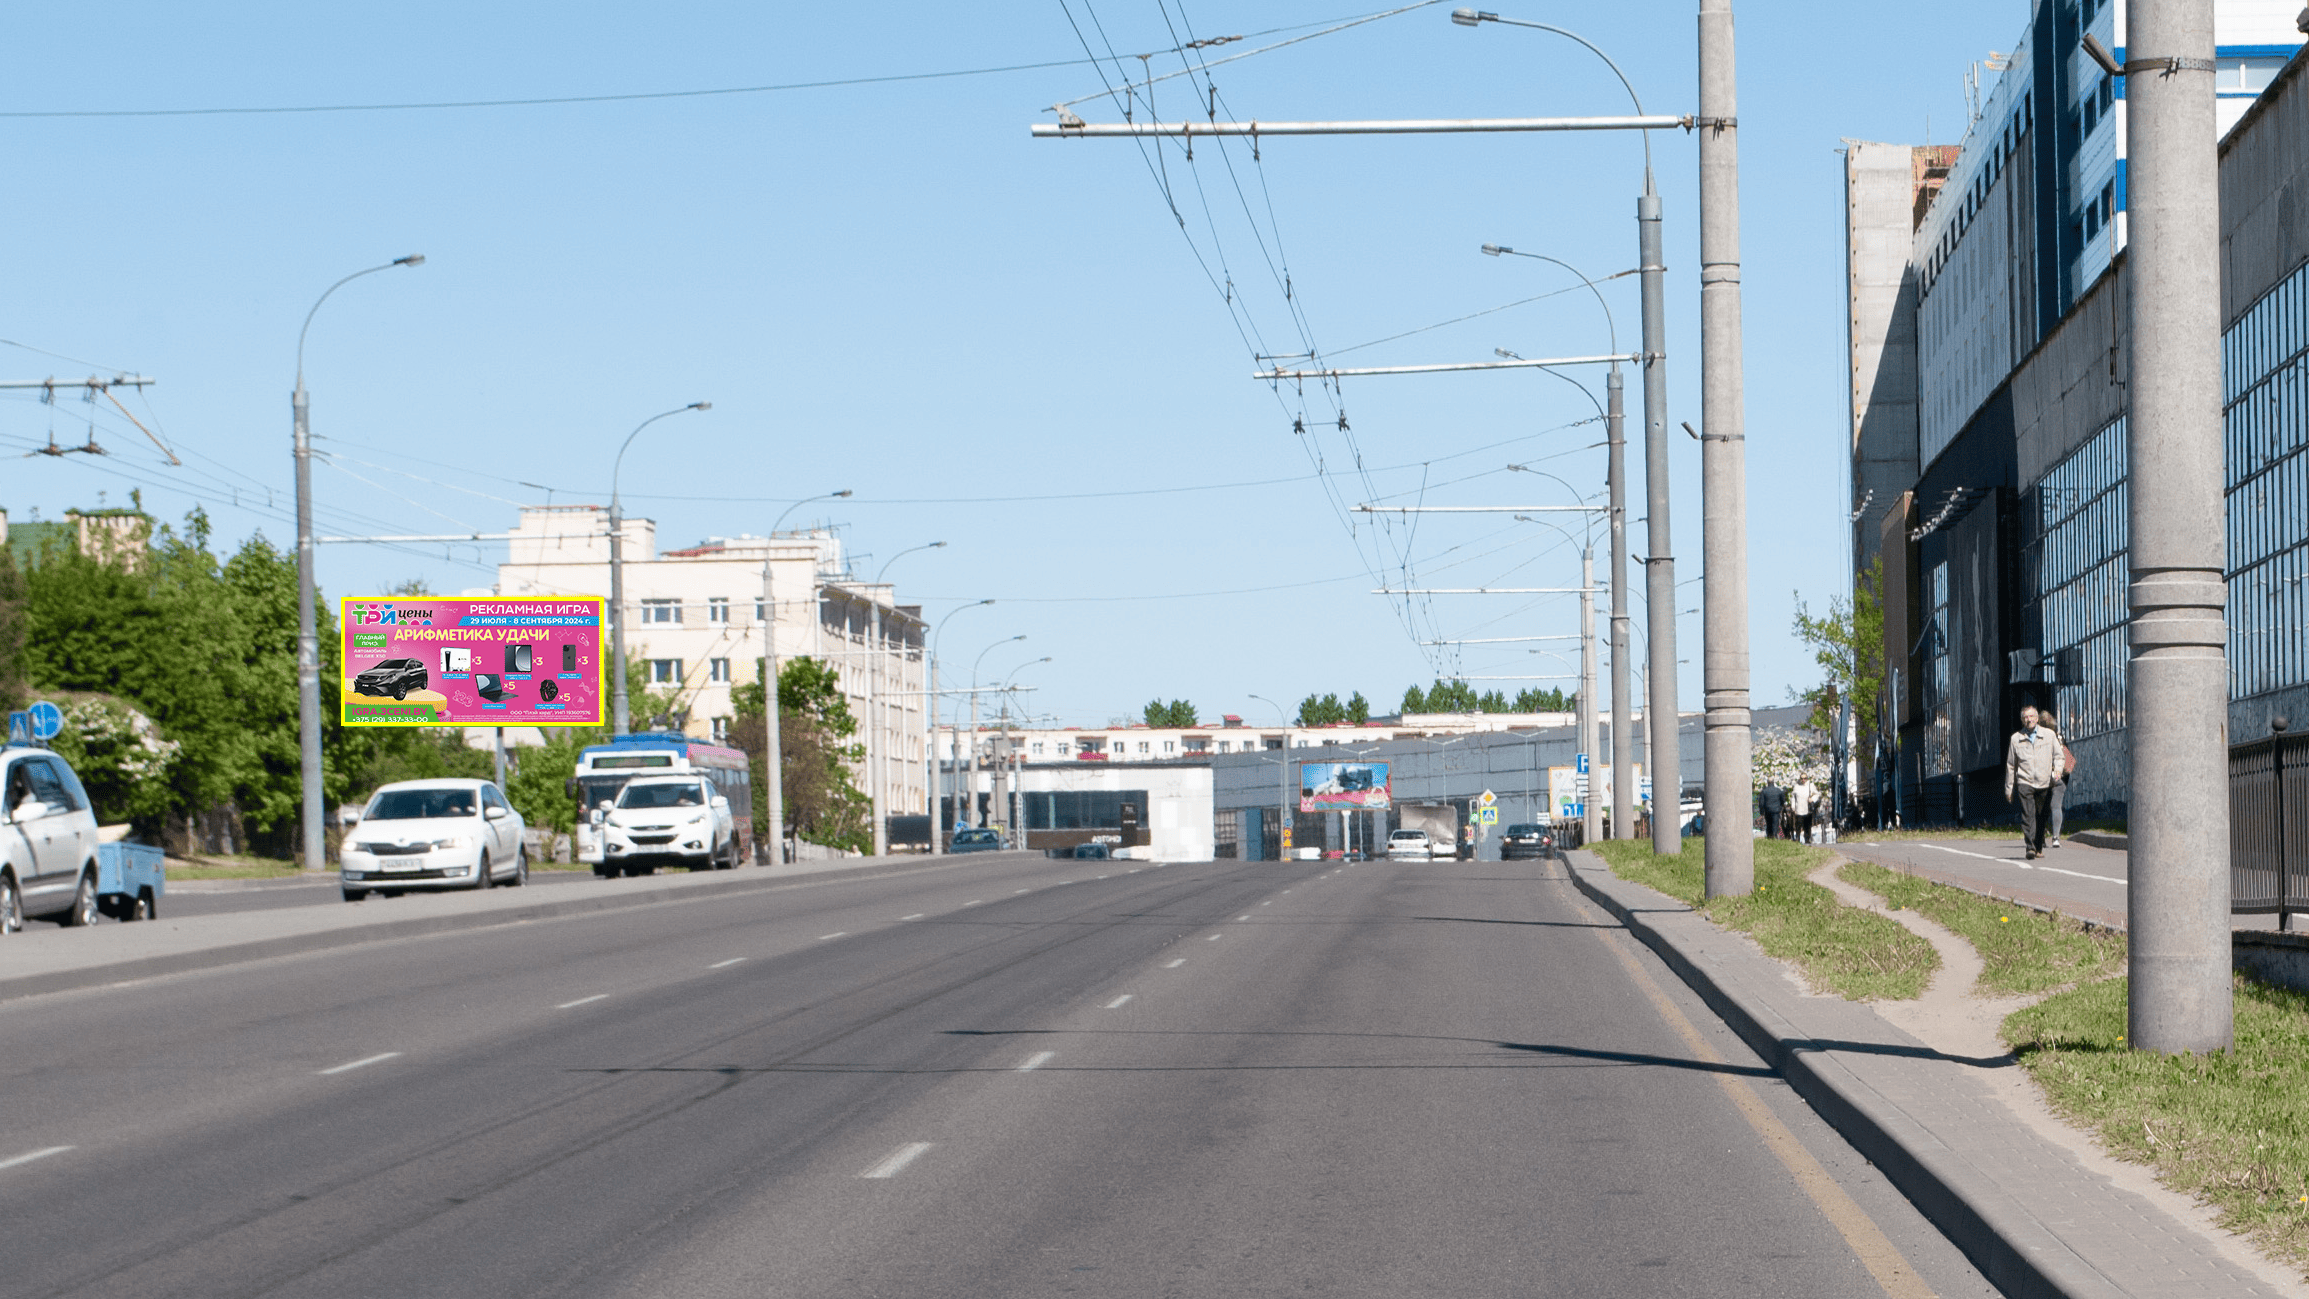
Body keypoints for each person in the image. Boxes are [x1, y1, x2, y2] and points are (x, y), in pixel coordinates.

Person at [2004, 703, 2066, 860]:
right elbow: (2011, 765)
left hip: (2045, 782)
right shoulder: (2015, 739)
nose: (2028, 720)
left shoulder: (2049, 735)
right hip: (2025, 782)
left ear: (2037, 718)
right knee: (2028, 815)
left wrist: (2057, 770)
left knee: (2041, 815)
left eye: (2031, 716)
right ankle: (2030, 847)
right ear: (2022, 720)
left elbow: (2059, 756)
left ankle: (2038, 845)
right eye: (2025, 717)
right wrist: (2009, 787)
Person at [2042, 707, 2078, 849]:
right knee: (2056, 806)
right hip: (2059, 776)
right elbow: (2066, 758)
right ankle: (2056, 838)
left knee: (2042, 807)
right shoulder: (2059, 736)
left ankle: (2041, 837)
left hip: (2044, 776)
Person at [1790, 777, 1820, 844]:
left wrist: (1812, 799)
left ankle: (1807, 839)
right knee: (1798, 824)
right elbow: (1793, 797)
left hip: (1807, 809)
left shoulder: (1810, 785)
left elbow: (1817, 794)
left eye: (1805, 778)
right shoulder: (1796, 786)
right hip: (1799, 808)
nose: (1803, 780)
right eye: (1801, 778)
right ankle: (1797, 838)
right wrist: (1793, 807)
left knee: (1807, 825)